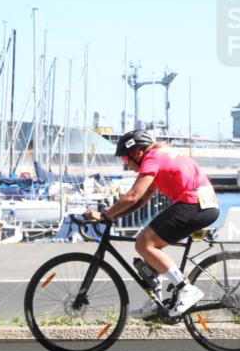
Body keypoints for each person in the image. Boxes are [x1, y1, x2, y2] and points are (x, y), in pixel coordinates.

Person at [84, 129, 220, 318]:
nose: (127, 165)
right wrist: (116, 216)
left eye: (125, 159)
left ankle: (185, 289)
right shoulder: (164, 154)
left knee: (144, 243)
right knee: (150, 252)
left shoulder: (152, 158)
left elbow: (133, 195)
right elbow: (145, 196)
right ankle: (155, 303)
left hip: (193, 203)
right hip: (205, 204)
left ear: (137, 152)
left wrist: (104, 215)